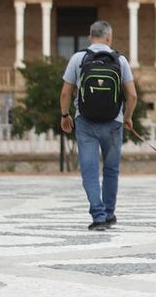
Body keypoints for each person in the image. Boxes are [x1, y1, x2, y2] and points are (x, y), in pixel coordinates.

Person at [60, 20, 137, 231]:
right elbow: (132, 95)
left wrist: (65, 115)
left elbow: (66, 92)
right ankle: (110, 213)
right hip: (113, 123)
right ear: (109, 37)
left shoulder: (78, 58)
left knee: (90, 171)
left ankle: (99, 216)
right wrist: (128, 117)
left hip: (85, 123)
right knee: (111, 170)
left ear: (89, 37)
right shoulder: (120, 61)